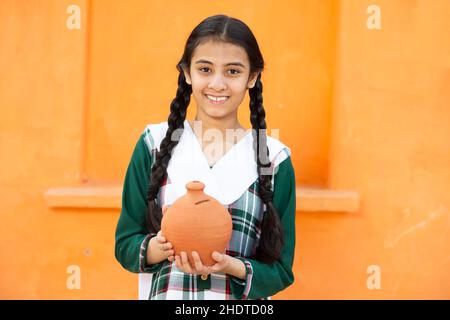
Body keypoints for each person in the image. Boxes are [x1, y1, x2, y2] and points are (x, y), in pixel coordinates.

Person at [115, 14, 296, 300]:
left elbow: (281, 272)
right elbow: (125, 244)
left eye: (233, 71)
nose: (218, 84)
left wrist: (233, 267)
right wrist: (160, 248)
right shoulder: (153, 144)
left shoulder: (274, 160)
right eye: (205, 69)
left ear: (253, 76)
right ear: (187, 73)